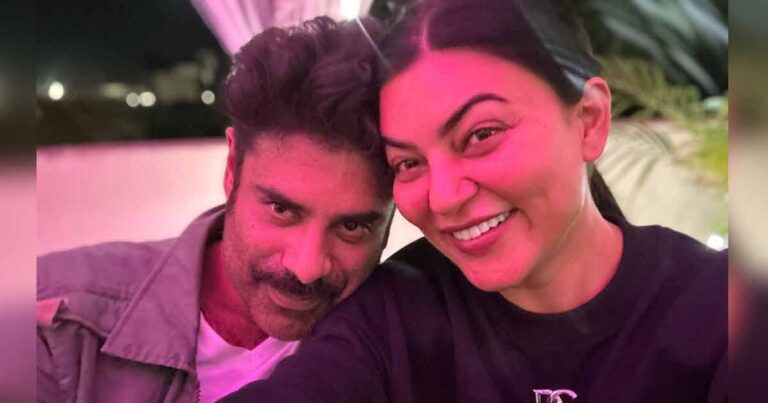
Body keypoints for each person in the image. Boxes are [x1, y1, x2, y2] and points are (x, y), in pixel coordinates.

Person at [223, 1, 727, 402]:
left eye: (482, 134)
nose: (443, 198)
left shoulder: (720, 307)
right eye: (408, 163)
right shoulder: (392, 318)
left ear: (589, 120)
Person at [36, 17, 394, 402]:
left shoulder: (400, 340)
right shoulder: (56, 325)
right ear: (232, 168)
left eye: (353, 228)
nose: (306, 267)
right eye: (281, 209)